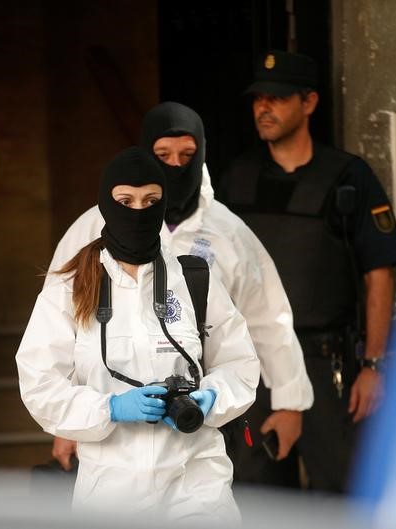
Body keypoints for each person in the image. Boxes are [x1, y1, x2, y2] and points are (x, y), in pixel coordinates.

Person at [46, 102, 314, 481]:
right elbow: (55, 341)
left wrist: (288, 401)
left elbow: (268, 317)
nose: (175, 165)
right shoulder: (89, 231)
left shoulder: (228, 231)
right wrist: (75, 419)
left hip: (194, 444)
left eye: (187, 155)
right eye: (163, 155)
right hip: (112, 452)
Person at [16, 146, 259, 522]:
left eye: (151, 200)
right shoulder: (70, 287)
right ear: (105, 205)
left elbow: (240, 363)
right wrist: (109, 409)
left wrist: (213, 397)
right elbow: (38, 382)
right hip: (112, 494)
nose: (138, 210)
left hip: (197, 487)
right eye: (125, 200)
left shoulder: (193, 280)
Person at [216, 49, 396, 492]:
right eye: (258, 98)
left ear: (309, 103)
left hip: (326, 366)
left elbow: (378, 272)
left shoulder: (348, 177)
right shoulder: (236, 177)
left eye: (278, 98)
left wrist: (374, 365)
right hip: (255, 367)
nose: (263, 108)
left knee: (342, 493)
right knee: (257, 495)